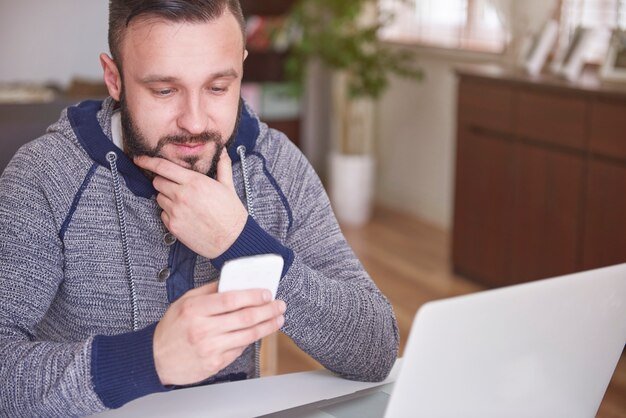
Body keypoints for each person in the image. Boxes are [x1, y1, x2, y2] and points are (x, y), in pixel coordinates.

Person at [0, 0, 399, 416]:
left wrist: (241, 242)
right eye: (164, 90)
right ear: (114, 79)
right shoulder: (45, 177)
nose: (194, 122)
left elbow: (375, 350)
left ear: (241, 68)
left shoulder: (276, 166)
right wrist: (146, 358)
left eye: (218, 87)